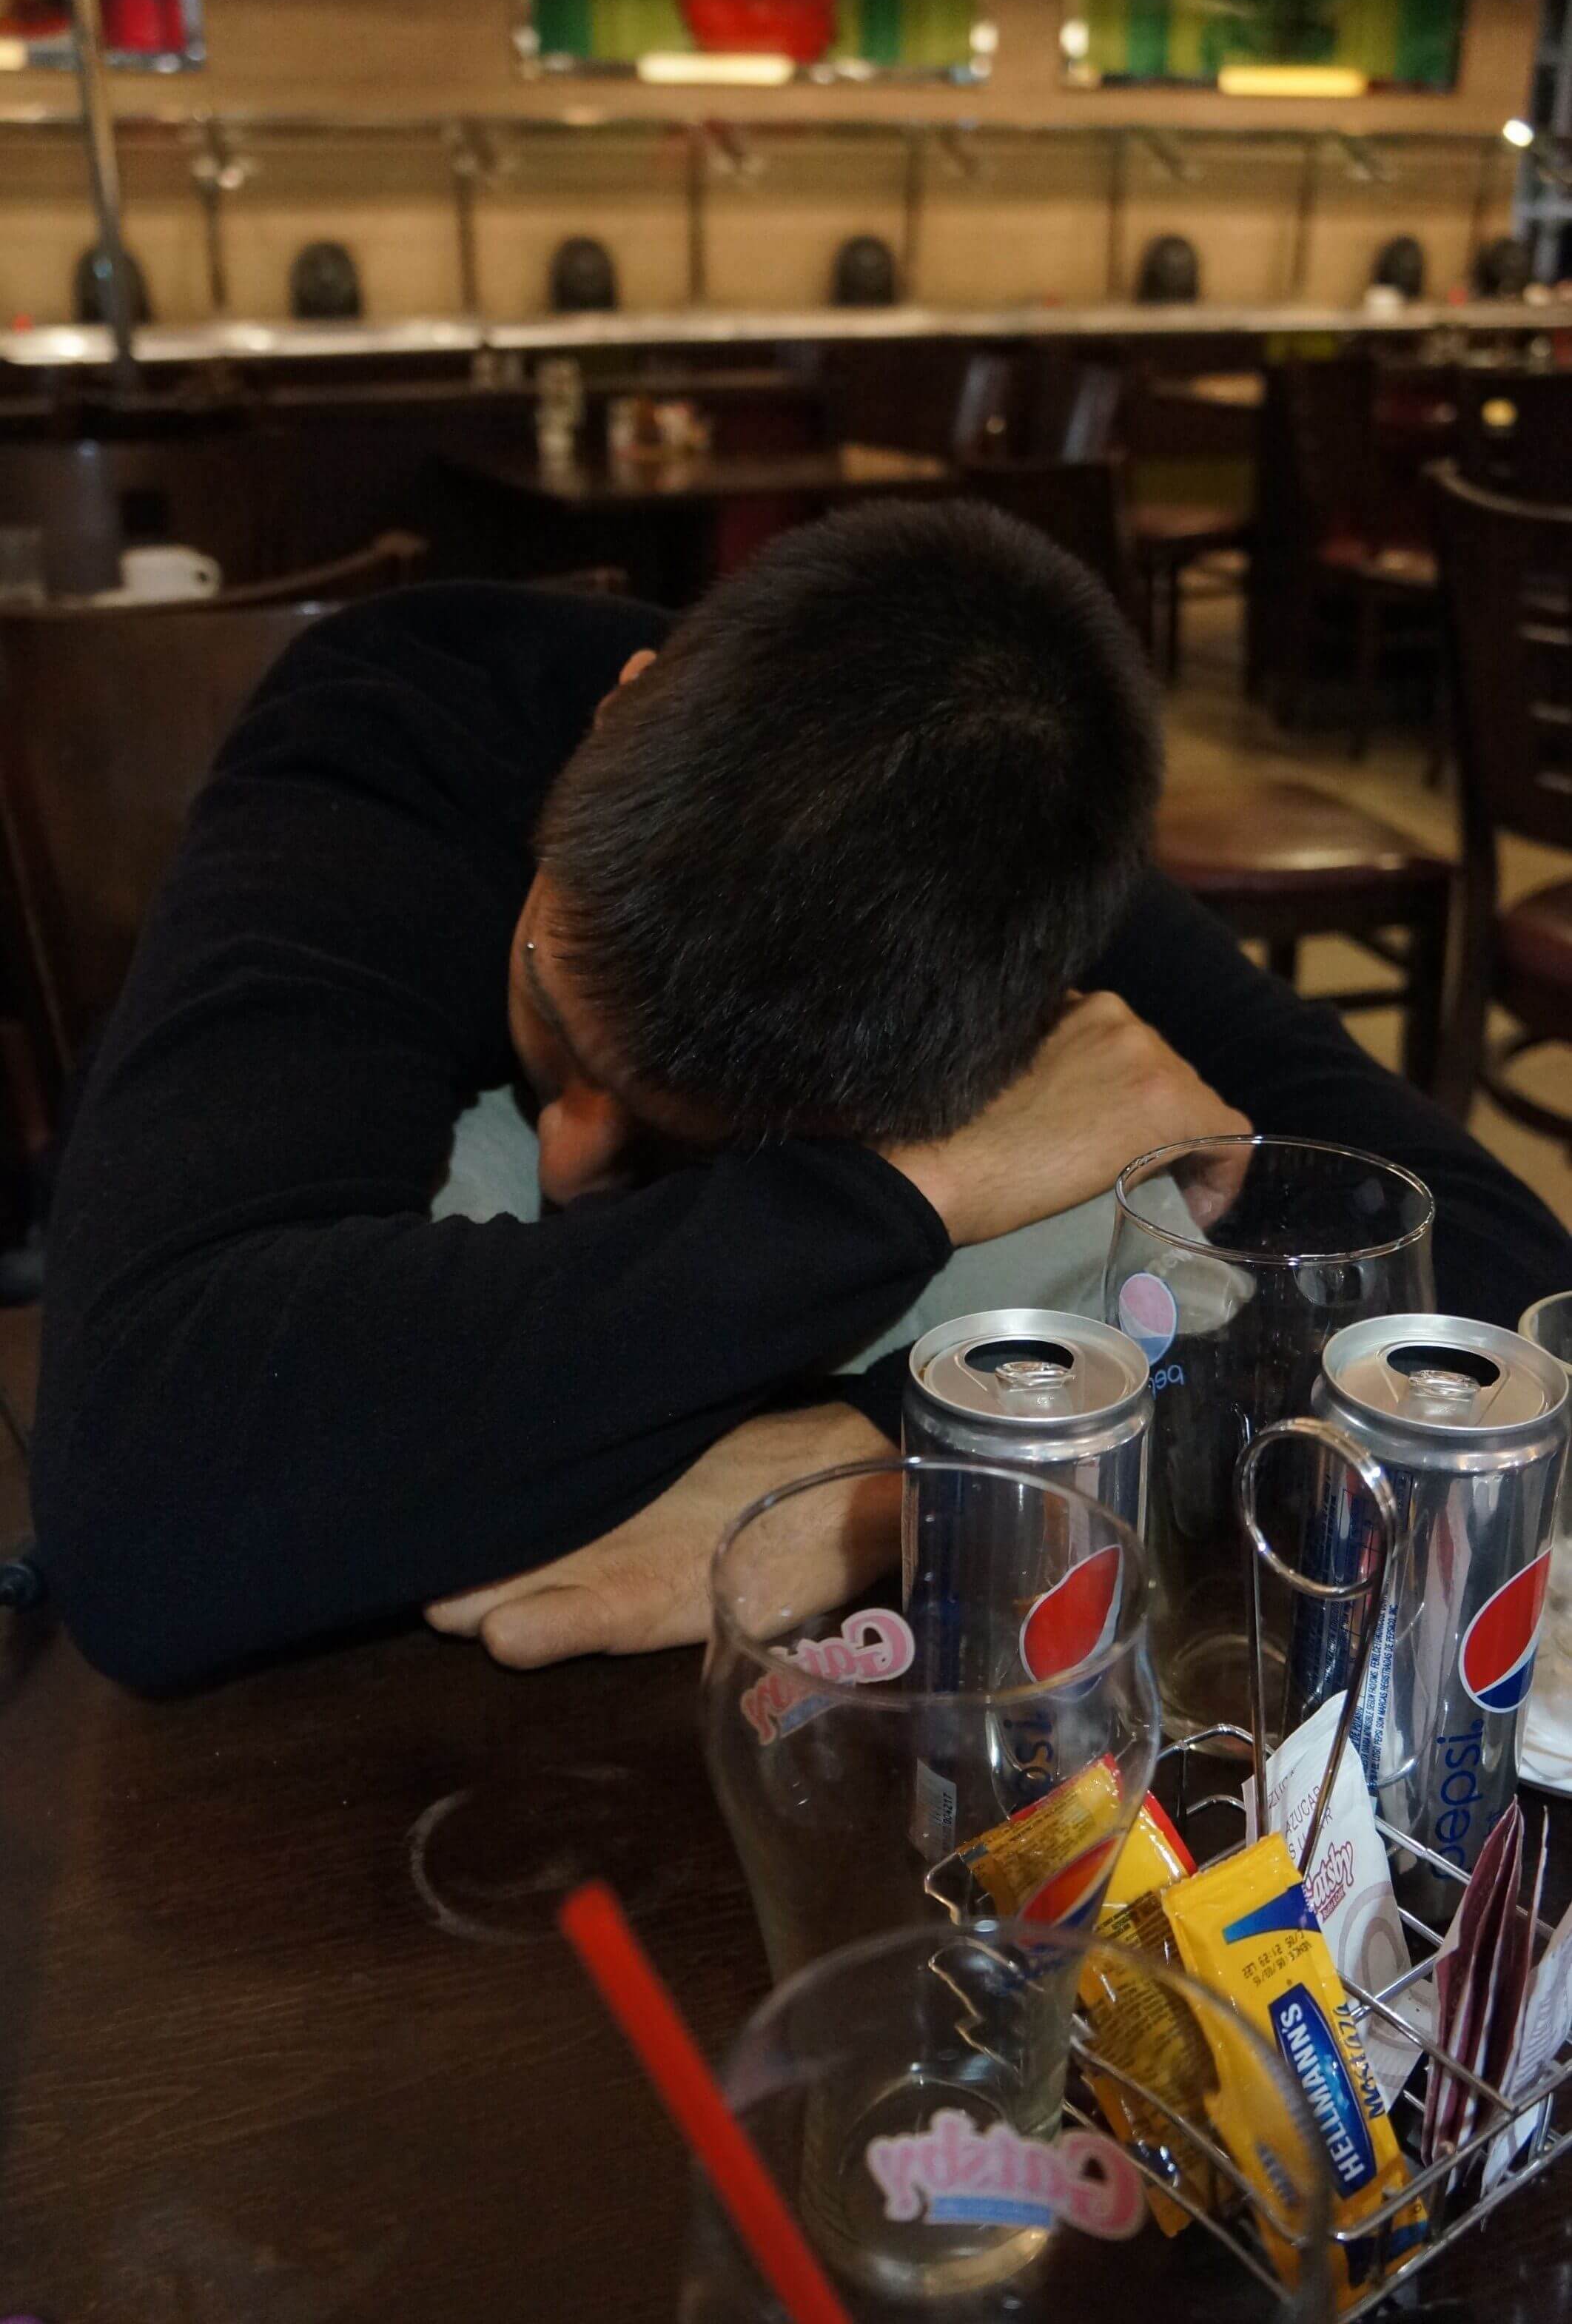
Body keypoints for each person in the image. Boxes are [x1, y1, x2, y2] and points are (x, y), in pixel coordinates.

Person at [31, 503, 1571, 1693]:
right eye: (553, 1021)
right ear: (619, 708)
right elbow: (149, 1490)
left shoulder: (990, 858)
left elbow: (1503, 1297)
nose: (572, 1165)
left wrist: (899, 1467)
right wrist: (914, 1190)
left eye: (674, 1132)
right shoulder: (397, 738)